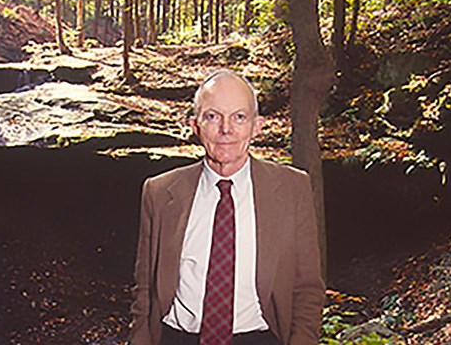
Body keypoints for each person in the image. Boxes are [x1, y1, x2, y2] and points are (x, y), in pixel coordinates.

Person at [129, 70, 324, 345]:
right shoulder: (159, 192)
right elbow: (145, 289)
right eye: (212, 116)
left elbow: (307, 289)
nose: (226, 130)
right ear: (195, 126)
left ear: (257, 126)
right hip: (177, 337)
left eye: (239, 117)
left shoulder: (293, 189)